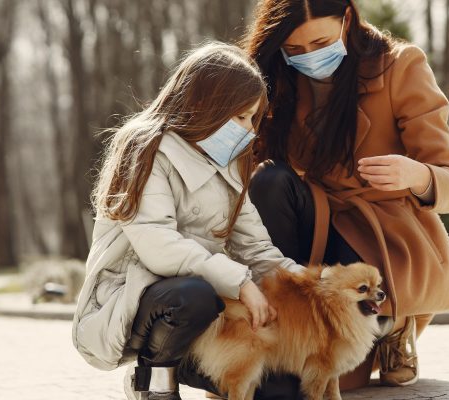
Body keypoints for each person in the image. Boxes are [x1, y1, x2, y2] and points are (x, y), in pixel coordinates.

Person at [243, 0, 449, 391]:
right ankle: (279, 327)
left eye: (321, 42)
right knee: (269, 182)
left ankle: (395, 324)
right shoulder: (276, 76)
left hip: (380, 235)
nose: (309, 57)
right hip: (315, 220)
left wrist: (417, 175)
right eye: (295, 50)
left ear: (347, 19)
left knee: (330, 378)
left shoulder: (401, 67)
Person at [70, 42, 306, 400]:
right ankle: (152, 382)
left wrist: (311, 288)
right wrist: (241, 283)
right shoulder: (143, 148)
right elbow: (159, 247)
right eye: (240, 117)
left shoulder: (227, 163)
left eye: (252, 118)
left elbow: (257, 249)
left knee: (282, 390)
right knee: (192, 296)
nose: (248, 130)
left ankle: (196, 366)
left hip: (208, 313)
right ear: (204, 104)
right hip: (134, 301)